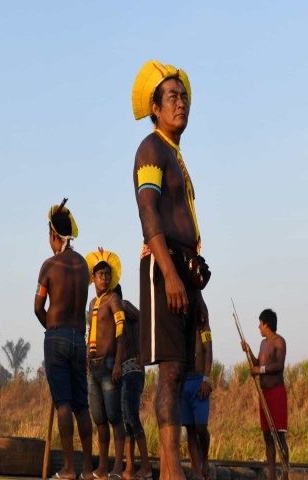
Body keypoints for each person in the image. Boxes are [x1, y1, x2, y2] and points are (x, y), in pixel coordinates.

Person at [132, 60, 210, 480]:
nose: (182, 104)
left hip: (185, 266)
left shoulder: (176, 155)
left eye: (183, 97)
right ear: (155, 107)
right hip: (164, 265)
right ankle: (171, 472)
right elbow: (148, 212)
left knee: (182, 371)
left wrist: (192, 283)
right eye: (172, 98)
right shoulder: (151, 148)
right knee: (170, 370)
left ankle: (168, 470)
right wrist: (170, 272)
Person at [34, 200, 93, 480]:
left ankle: (69, 468)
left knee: (64, 404)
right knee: (82, 404)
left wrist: (52, 331)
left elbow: (37, 307)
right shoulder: (84, 266)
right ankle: (89, 469)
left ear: (55, 236)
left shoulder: (49, 266)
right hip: (79, 339)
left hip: (56, 335)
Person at [85, 248, 126, 480]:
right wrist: (86, 362)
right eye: (100, 274)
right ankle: (102, 467)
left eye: (107, 274)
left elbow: (121, 332)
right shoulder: (92, 303)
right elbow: (90, 332)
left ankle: (118, 468)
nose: (104, 278)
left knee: (114, 417)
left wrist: (118, 362)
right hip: (94, 367)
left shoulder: (114, 299)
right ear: (93, 278)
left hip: (110, 364)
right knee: (99, 419)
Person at [241, 309, 289, 480]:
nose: (258, 327)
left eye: (260, 323)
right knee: (267, 436)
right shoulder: (263, 343)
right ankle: (271, 476)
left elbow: (279, 366)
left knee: (279, 435)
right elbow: (256, 364)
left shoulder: (279, 342)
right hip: (264, 395)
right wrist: (248, 351)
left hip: (276, 393)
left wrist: (259, 370)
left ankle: (284, 474)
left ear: (266, 324)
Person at [114, 285, 151, 480]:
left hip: (134, 369)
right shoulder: (115, 313)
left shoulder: (124, 306)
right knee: (126, 421)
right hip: (123, 372)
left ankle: (145, 467)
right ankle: (129, 467)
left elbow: (144, 319)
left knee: (132, 417)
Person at [181, 307, 212, 480]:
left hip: (200, 381)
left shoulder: (204, 329)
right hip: (184, 381)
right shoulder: (181, 328)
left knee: (201, 427)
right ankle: (196, 468)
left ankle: (205, 459)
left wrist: (207, 379)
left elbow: (208, 352)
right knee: (190, 428)